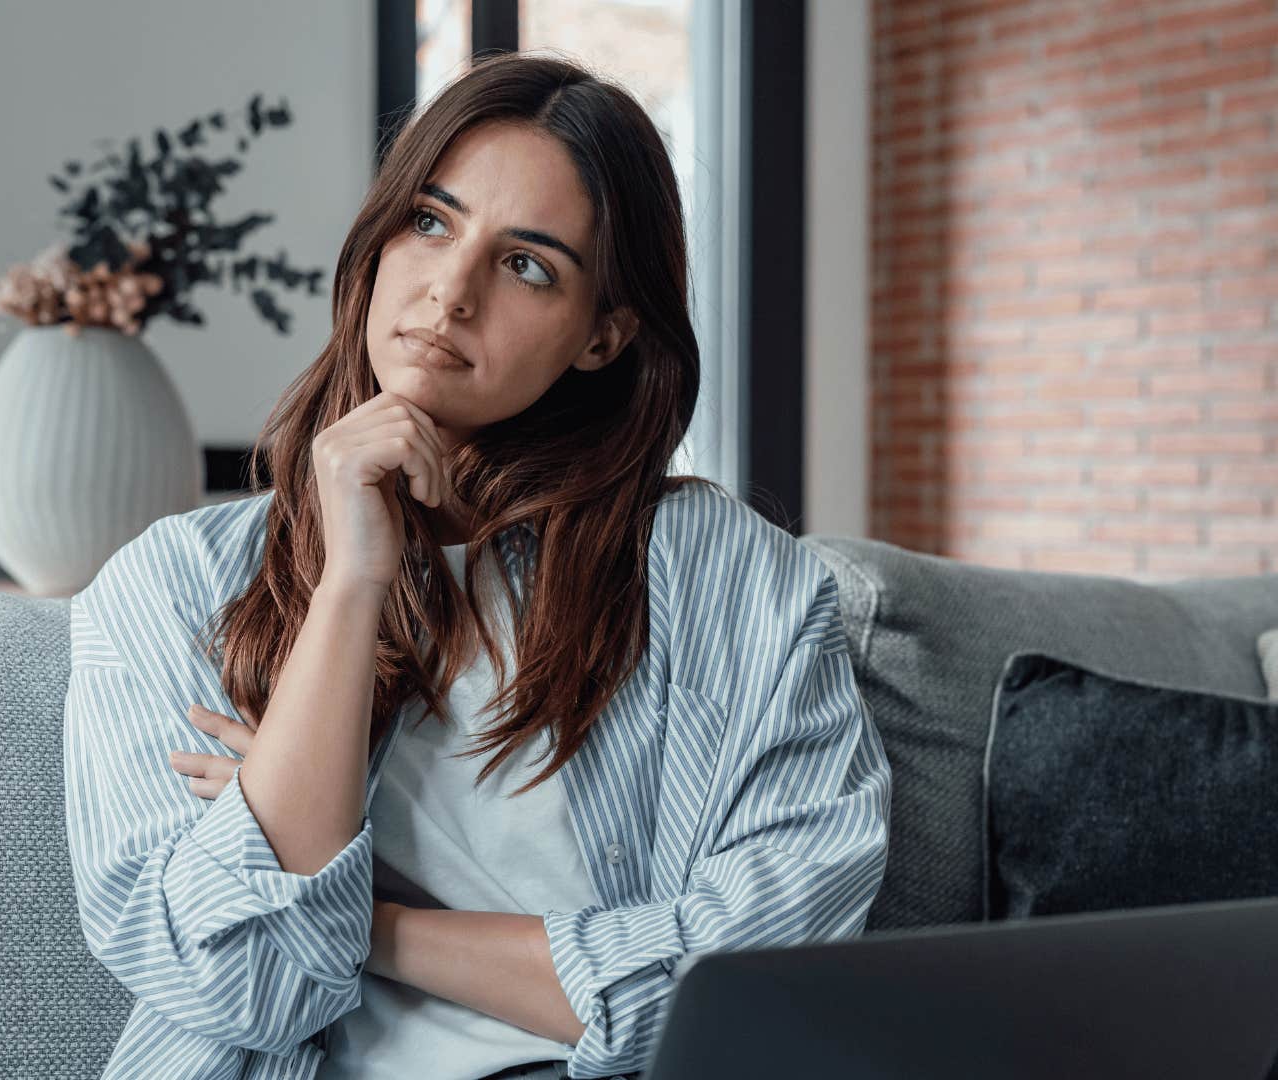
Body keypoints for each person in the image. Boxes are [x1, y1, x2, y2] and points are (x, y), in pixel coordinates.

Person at [62, 50, 890, 1080]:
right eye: (431, 221)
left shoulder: (739, 588)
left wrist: (365, 916)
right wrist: (353, 582)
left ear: (603, 336)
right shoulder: (173, 590)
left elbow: (759, 983)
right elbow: (244, 983)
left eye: (527, 263)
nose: (450, 292)